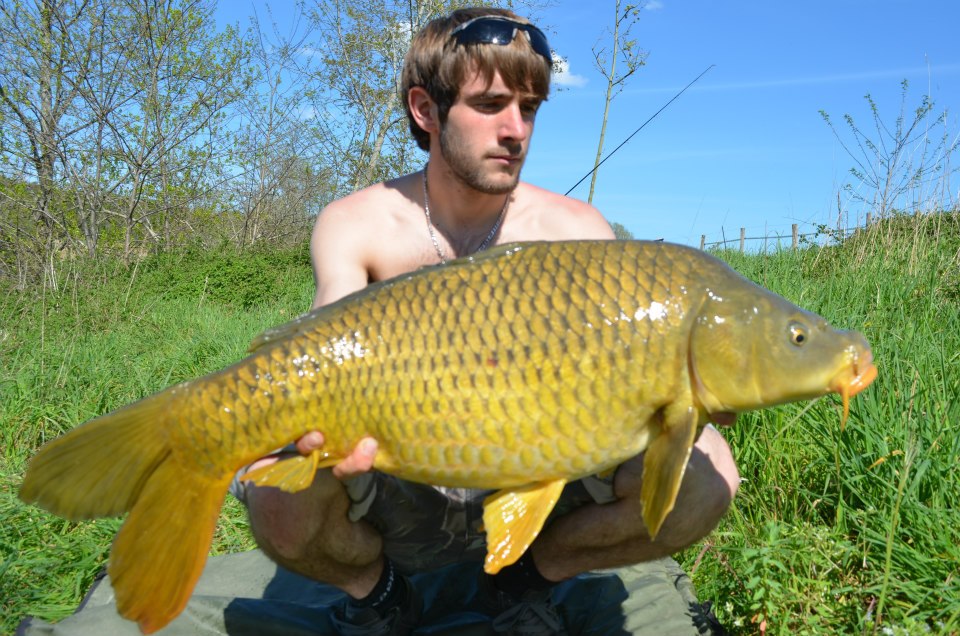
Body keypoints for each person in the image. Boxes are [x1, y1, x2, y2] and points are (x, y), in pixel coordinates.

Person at [233, 7, 740, 636]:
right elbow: (326, 338)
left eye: (528, 108)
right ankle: (379, 594)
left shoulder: (574, 231)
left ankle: (529, 581)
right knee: (273, 488)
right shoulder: (357, 223)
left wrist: (683, 394)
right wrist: (301, 429)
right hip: (402, 474)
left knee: (710, 468)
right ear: (425, 109)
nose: (516, 130)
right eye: (492, 104)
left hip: (540, 466)